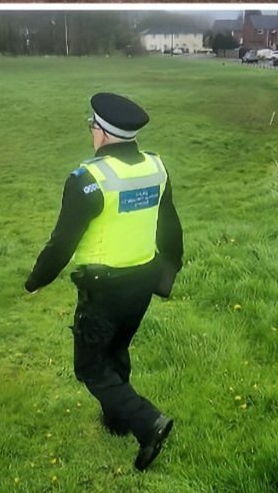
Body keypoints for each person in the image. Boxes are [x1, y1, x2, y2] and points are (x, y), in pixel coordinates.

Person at [25, 92, 183, 470]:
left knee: (91, 367)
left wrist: (35, 281)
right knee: (116, 349)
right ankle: (116, 421)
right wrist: (168, 272)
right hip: (142, 283)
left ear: (103, 133)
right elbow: (170, 227)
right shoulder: (155, 168)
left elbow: (62, 242)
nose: (90, 132)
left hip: (104, 289)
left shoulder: (88, 179)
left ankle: (148, 422)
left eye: (91, 126)